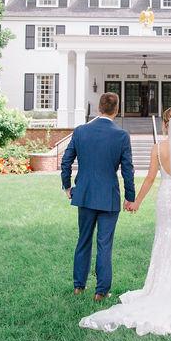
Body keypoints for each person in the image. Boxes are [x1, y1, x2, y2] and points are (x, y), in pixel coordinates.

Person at [79, 107, 171, 339]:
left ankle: (162, 286)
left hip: (166, 199)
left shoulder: (158, 149)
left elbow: (149, 178)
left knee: (166, 239)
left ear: (165, 125)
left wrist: (135, 202)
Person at [60, 92, 135, 301]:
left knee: (83, 240)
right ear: (117, 109)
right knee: (105, 244)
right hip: (109, 197)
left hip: (84, 194)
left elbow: (66, 161)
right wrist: (130, 197)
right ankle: (101, 292)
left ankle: (78, 287)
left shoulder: (81, 131)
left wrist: (67, 185)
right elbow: (128, 170)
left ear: (98, 108)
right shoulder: (121, 136)